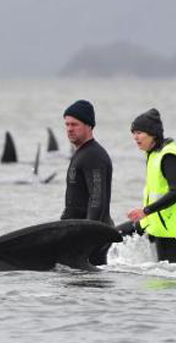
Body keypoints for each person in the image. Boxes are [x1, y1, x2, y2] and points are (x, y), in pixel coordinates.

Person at [120, 108, 176, 263]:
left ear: (153, 134)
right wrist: (145, 212)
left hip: (168, 228)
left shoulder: (168, 156)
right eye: (133, 132)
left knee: (167, 279)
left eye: (139, 132)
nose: (135, 137)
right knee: (112, 235)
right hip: (152, 221)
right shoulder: (153, 154)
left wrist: (146, 210)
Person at [61, 100, 114, 265]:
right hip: (81, 232)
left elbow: (97, 197)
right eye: (67, 124)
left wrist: (88, 235)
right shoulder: (82, 153)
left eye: (74, 124)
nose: (69, 129)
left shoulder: (93, 155)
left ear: (89, 126)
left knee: (90, 287)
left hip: (91, 236)